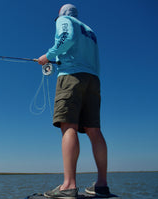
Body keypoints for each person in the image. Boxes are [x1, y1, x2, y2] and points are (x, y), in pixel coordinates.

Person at [38, 4, 111, 198]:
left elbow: (66, 37)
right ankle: (102, 185)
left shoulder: (65, 21)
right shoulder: (90, 31)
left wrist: (48, 56)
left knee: (68, 126)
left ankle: (68, 185)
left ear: (61, 15)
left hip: (71, 76)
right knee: (94, 131)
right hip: (93, 80)